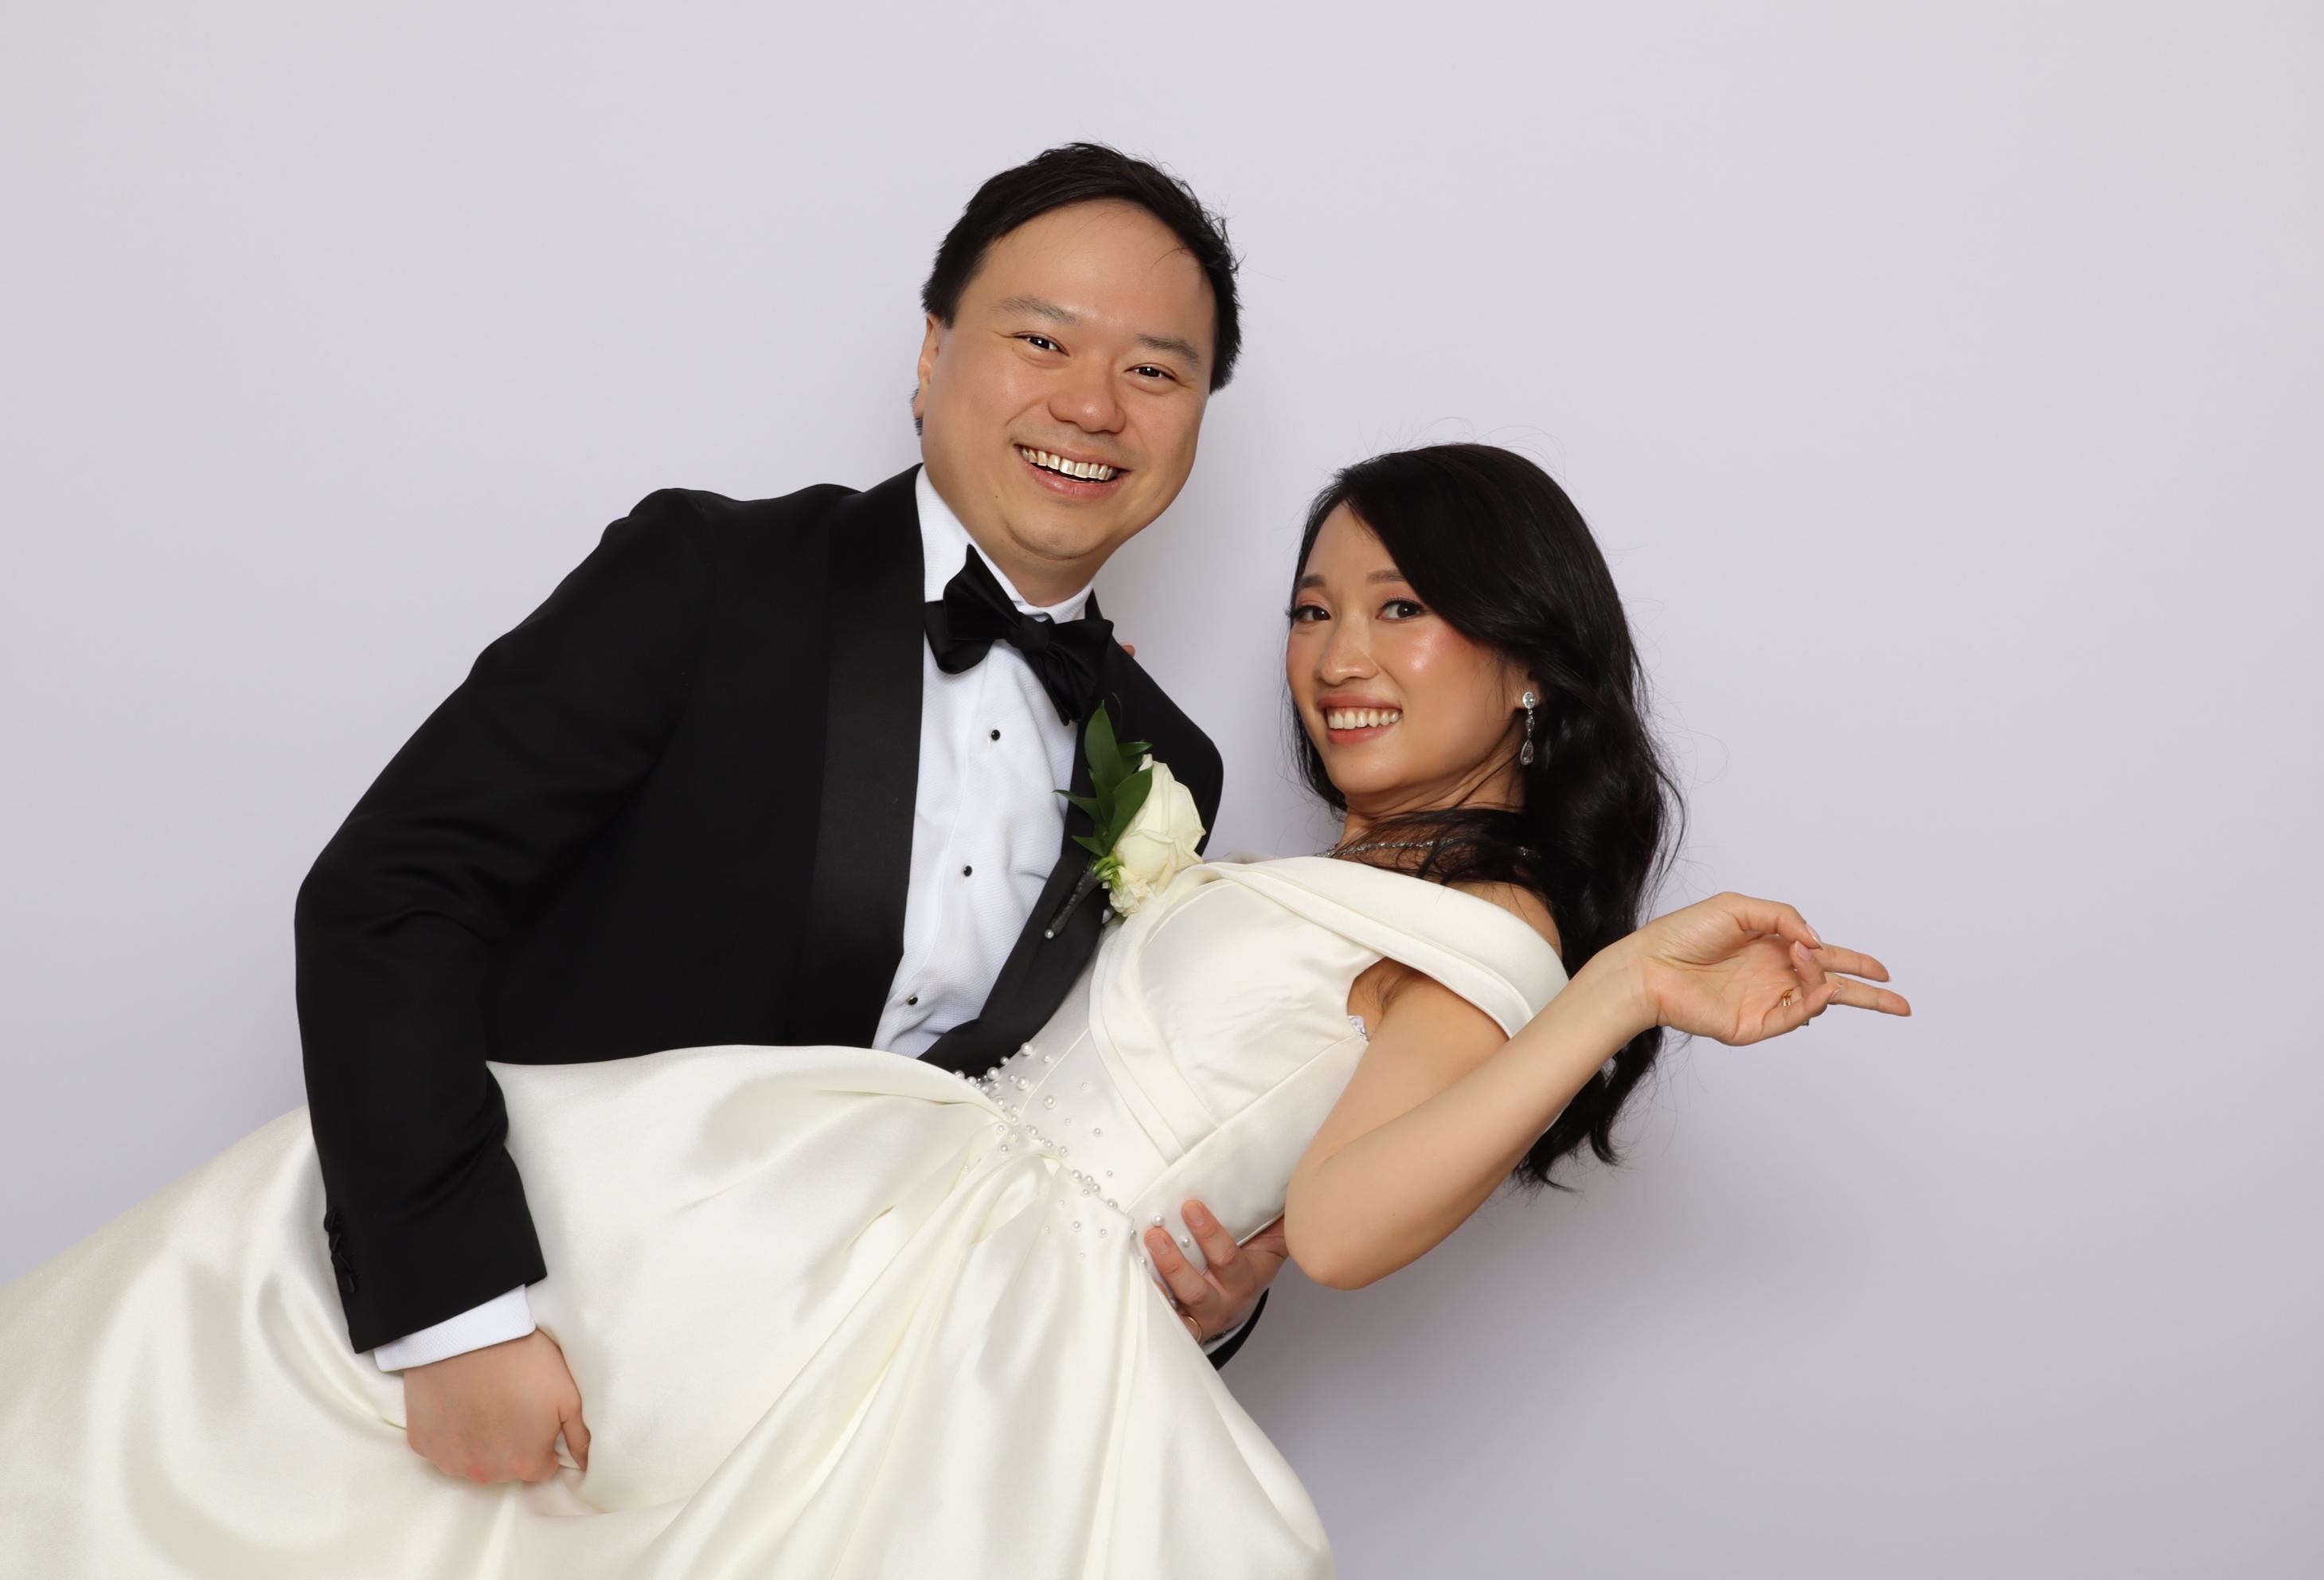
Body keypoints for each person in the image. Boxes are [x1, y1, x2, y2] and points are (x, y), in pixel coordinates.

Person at [0, 440, 1908, 1576]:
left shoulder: (1493, 931)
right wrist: (1215, 1261)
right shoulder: (1313, 851)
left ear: (1532, 664)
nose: (1336, 653)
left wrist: (1612, 987)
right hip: (875, 1206)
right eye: (1312, 606)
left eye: (1401, 608)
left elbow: (1332, 1224)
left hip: (974, 1310)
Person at [290, 139, 1287, 1490]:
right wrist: (459, 1321)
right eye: (1043, 340)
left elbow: (1061, 1137)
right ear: (931, 353)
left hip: (841, 1425)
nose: (1094, 404)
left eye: (1155, 372)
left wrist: (1205, 1307)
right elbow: (394, 899)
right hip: (531, 1352)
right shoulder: (710, 577)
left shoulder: (1169, 766)